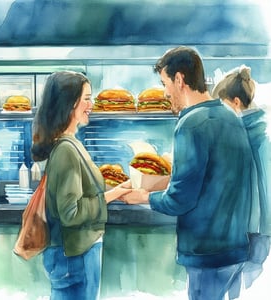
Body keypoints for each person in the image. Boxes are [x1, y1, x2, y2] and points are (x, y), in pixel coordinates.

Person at [120, 46, 255, 300]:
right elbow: (216, 179)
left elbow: (179, 200)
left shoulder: (191, 123)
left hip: (206, 255)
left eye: (165, 83)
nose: (164, 92)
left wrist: (143, 197)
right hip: (236, 251)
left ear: (179, 80)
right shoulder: (230, 115)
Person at [31, 71, 131, 300]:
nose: (91, 104)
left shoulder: (68, 144)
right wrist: (112, 195)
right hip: (74, 256)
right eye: (87, 98)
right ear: (70, 103)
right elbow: (70, 213)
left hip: (74, 254)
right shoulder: (66, 150)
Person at [212, 65, 271, 299]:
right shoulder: (262, 134)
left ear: (236, 102)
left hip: (246, 231)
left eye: (222, 106)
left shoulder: (241, 137)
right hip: (261, 231)